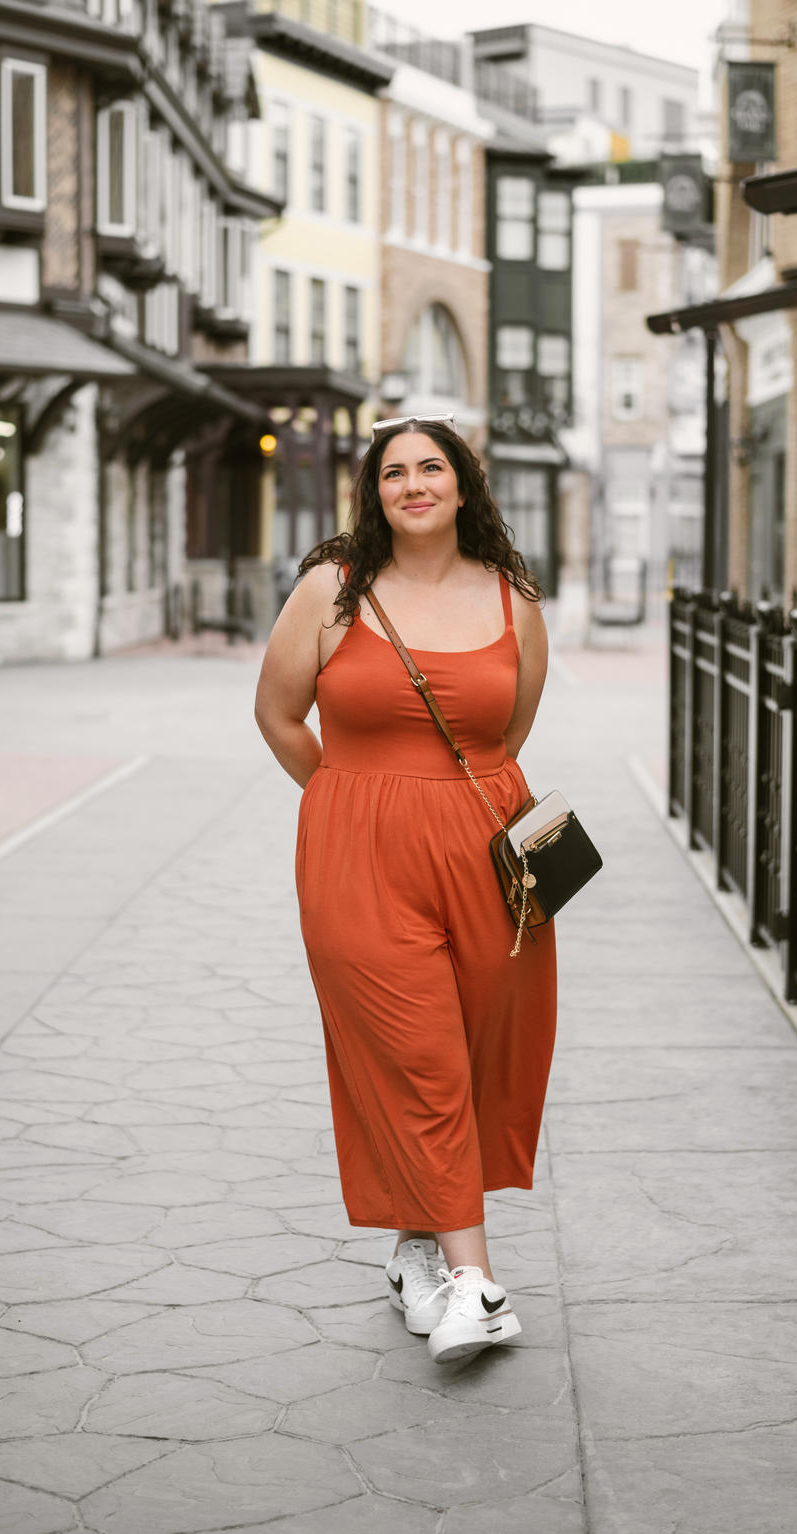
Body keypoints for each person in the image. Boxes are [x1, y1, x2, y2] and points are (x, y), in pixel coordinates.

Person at [254, 416, 557, 1364]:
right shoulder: (331, 592)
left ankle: (418, 1248)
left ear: (464, 487)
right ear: (374, 492)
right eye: (395, 471)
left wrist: (435, 805)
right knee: (417, 1053)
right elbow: (277, 713)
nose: (414, 483)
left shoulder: (513, 600)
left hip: (488, 861)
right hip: (360, 860)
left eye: (433, 467)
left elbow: (507, 740)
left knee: (477, 1052)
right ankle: (478, 1283)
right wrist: (353, 800)